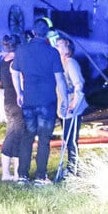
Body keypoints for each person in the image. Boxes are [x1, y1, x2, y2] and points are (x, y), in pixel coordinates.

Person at [11, 17, 67, 185]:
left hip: (28, 100)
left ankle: (22, 175)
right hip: (47, 101)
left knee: (27, 137)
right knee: (44, 139)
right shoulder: (52, 53)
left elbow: (14, 72)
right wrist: (64, 100)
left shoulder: (21, 50)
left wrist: (19, 93)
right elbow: (60, 79)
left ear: (33, 32)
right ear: (48, 34)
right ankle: (40, 176)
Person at [55, 36, 87, 180]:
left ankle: (74, 169)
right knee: (66, 139)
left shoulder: (70, 63)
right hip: (63, 107)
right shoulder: (59, 64)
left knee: (71, 139)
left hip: (72, 107)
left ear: (67, 48)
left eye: (60, 45)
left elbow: (78, 84)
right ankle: (69, 168)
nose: (57, 47)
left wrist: (74, 104)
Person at [0, 33, 25, 181]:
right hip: (17, 102)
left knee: (11, 134)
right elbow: (20, 79)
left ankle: (7, 173)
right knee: (18, 136)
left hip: (8, 101)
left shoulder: (4, 60)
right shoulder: (16, 61)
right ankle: (15, 173)